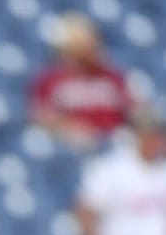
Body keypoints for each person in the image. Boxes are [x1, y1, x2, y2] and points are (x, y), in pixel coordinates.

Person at [29, 14, 130, 149]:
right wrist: (68, 127)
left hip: (110, 146)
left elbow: (131, 109)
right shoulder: (51, 79)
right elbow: (40, 116)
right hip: (66, 145)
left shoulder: (111, 76)